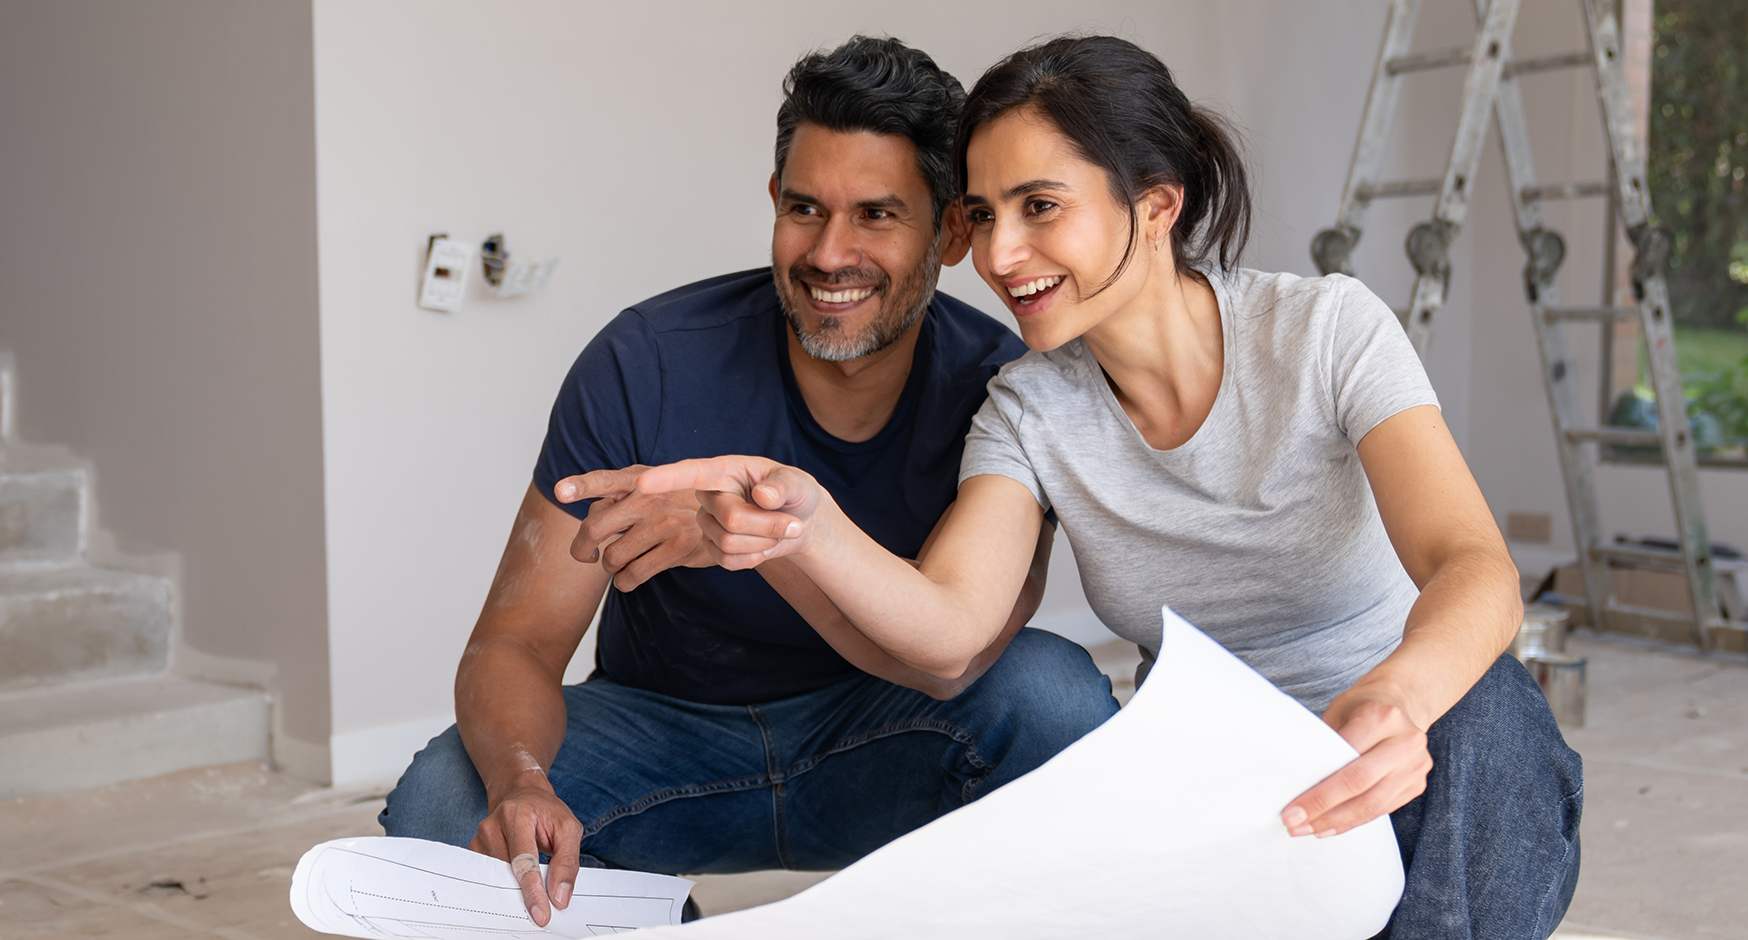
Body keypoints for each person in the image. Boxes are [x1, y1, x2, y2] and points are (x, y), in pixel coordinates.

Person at [578, 36, 1584, 940]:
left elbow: (1472, 566)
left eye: (1041, 207)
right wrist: (800, 522)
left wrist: (1396, 702)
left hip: (1415, 757)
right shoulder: (1027, 406)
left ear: (1155, 205)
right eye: (984, 215)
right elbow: (950, 627)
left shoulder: (1325, 331)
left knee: (1488, 711)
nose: (1000, 256)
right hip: (1222, 798)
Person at [376, 36, 1119, 930]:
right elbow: (517, 642)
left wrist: (753, 535)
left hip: (891, 735)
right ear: (774, 201)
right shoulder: (646, 363)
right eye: (805, 209)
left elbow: (954, 660)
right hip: (662, 734)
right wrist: (523, 782)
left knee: (1052, 695)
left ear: (953, 231)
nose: (830, 253)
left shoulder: (1004, 389)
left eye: (877, 215)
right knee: (443, 804)